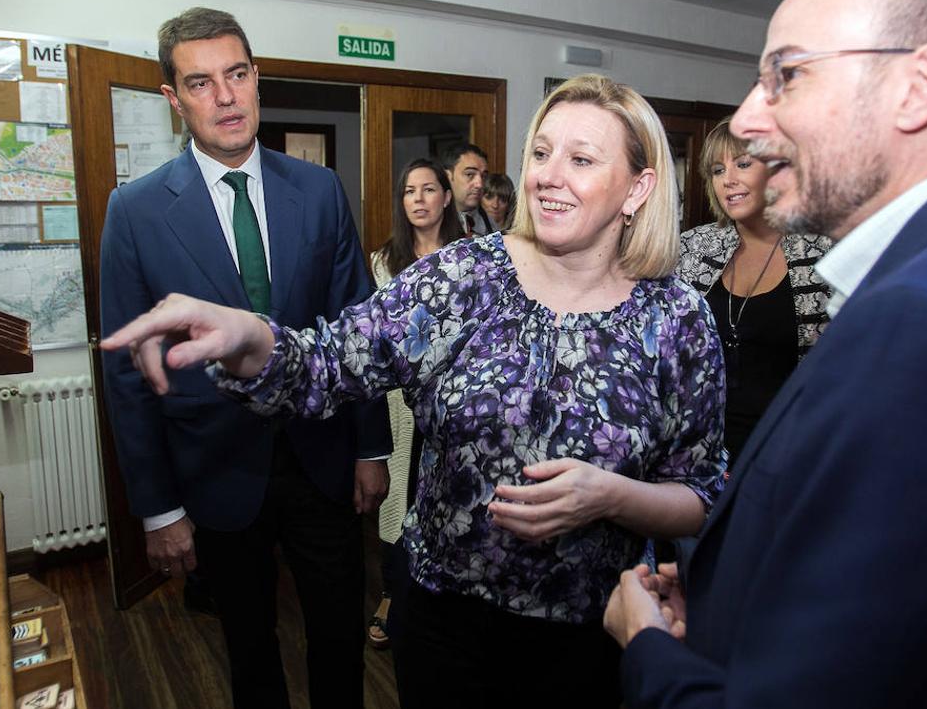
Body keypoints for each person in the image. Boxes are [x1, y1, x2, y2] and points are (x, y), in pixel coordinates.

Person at [103, 73, 727, 709]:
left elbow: (701, 494)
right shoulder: (460, 279)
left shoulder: (677, 321)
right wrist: (248, 336)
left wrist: (612, 497)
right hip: (446, 629)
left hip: (595, 635)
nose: (547, 176)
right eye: (540, 153)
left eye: (582, 159)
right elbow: (327, 364)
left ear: (638, 187)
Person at [604, 0, 927, 708]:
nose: (750, 122)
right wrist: (729, 604)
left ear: (919, 86)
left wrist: (648, 649)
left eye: (787, 74)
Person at [98, 6, 390, 709]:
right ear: (174, 100)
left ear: (257, 78)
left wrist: (371, 446)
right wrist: (158, 509)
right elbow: (127, 372)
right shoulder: (135, 211)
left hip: (321, 457)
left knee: (338, 636)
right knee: (249, 647)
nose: (225, 97)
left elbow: (360, 325)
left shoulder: (317, 190)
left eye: (237, 75)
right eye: (201, 84)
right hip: (216, 468)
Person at [676, 119, 830, 463]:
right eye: (717, 170)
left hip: (790, 455)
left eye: (742, 164)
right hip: (697, 456)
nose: (727, 180)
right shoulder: (692, 249)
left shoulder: (823, 250)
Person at [366, 159, 464, 648]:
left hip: (457, 400)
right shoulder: (383, 262)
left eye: (429, 189)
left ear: (447, 197)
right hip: (401, 403)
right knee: (398, 496)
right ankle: (391, 592)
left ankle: (445, 595)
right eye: (410, 191)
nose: (419, 199)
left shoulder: (472, 257)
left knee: (448, 492)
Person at [442, 142, 494, 236]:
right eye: (469, 174)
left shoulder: (491, 225)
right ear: (447, 176)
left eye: (483, 176)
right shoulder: (431, 225)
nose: (480, 184)